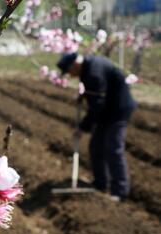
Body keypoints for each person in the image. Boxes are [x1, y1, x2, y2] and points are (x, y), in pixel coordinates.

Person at [57, 53, 137, 201]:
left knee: (114, 148)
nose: (70, 75)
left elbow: (97, 106)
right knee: (96, 147)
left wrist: (82, 127)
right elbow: (96, 94)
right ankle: (100, 183)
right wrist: (84, 96)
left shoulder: (93, 72)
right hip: (107, 109)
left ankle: (120, 190)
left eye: (69, 71)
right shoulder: (89, 66)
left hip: (118, 109)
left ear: (74, 65)